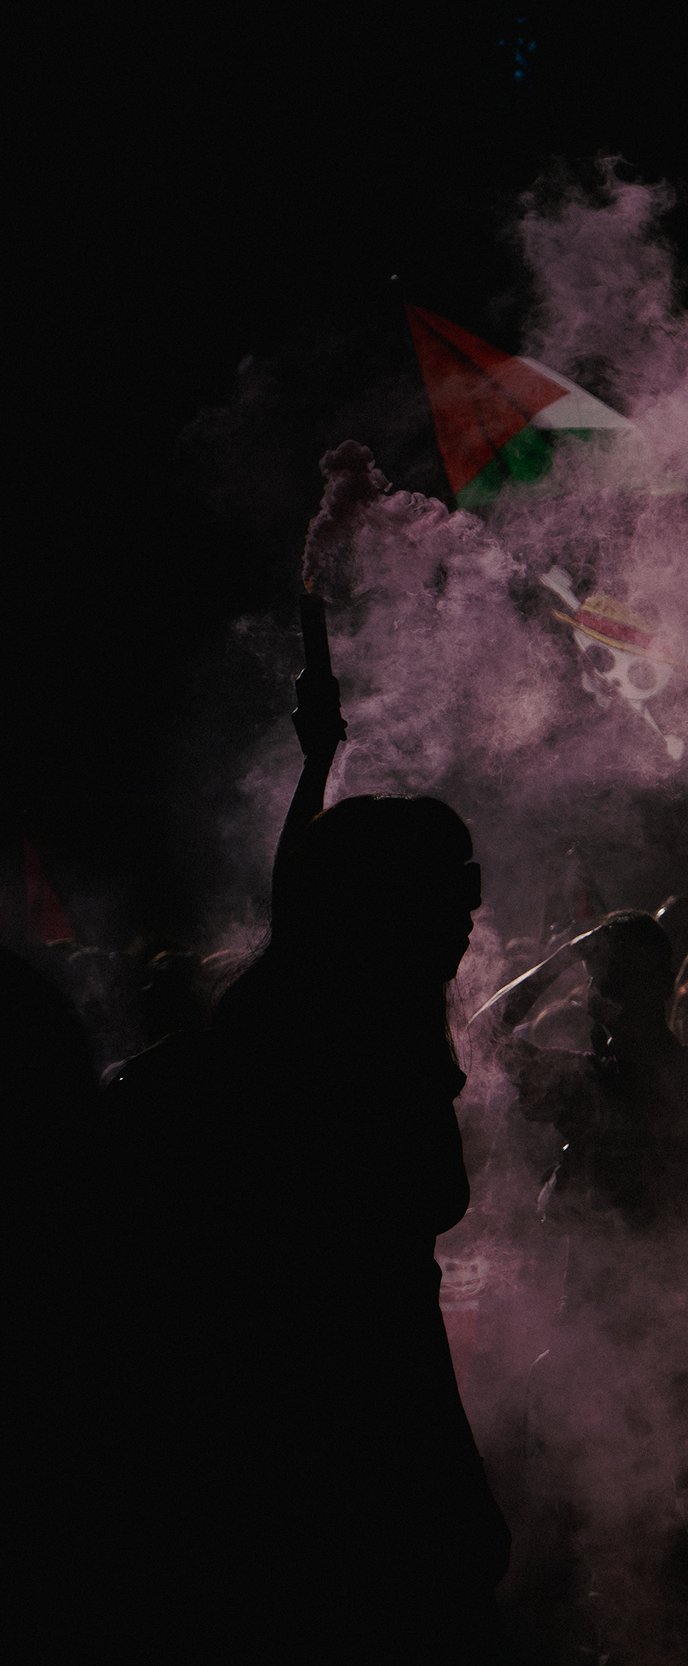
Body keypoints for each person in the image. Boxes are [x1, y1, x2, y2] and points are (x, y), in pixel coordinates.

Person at [102, 657, 507, 1661]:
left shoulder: (311, 1026)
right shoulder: (352, 1063)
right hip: (351, 1424)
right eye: (449, 891)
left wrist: (318, 761)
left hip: (333, 1424)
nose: (468, 916)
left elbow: (301, 904)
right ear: (387, 911)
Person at [493, 912, 688, 1318]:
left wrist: (562, 958)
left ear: (598, 1000)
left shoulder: (588, 1083)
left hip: (606, 1317)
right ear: (667, 985)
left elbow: (481, 1035)